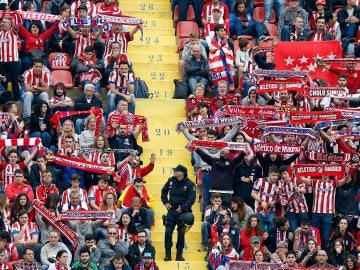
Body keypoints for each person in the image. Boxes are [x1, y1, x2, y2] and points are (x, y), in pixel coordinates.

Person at [300, 174, 351, 250]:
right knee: (313, 235)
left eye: (327, 174)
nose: (325, 175)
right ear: (321, 174)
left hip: (328, 213)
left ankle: (324, 252)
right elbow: (305, 180)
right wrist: (298, 174)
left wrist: (346, 177)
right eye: (324, 174)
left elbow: (343, 182)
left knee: (325, 236)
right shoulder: (315, 182)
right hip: (316, 212)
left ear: (329, 174)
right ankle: (313, 252)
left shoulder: (333, 182)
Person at [161, 164, 196, 261]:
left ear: (181, 173)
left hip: (184, 212)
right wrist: (166, 202)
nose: (174, 171)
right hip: (171, 211)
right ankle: (168, 254)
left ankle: (179, 255)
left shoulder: (190, 184)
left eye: (176, 170)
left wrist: (183, 207)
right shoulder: (171, 180)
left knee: (181, 233)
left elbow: (191, 199)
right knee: (168, 231)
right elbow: (164, 192)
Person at [251, 166, 281, 232]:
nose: (275, 177)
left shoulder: (279, 184)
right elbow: (253, 193)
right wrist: (261, 201)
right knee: (259, 231)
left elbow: (280, 197)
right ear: (269, 174)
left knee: (272, 232)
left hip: (271, 211)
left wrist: (275, 201)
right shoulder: (260, 181)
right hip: (259, 210)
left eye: (277, 175)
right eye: (273, 175)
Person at [0, 17, 21, 101]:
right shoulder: (0, 33)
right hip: (1, 61)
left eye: (5, 22)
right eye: (2, 22)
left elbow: (17, 26)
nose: (3, 23)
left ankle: (17, 99)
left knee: (14, 81)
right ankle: (4, 98)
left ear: (9, 25)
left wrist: (15, 16)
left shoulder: (13, 32)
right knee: (3, 81)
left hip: (13, 61)